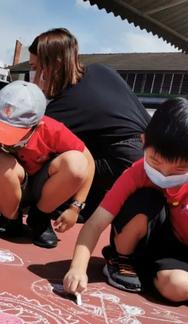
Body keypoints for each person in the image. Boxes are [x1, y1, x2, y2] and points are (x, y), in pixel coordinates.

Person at [64, 97, 188, 324]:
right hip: (140, 236)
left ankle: (147, 274)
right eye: (155, 160)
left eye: (179, 168)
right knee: (147, 199)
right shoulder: (137, 171)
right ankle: (121, 261)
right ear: (143, 141)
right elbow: (96, 223)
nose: (164, 173)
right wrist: (77, 268)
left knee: (181, 289)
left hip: (181, 252)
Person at [0, 81, 94, 249]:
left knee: (77, 162)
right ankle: (10, 220)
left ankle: (39, 218)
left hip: (44, 190)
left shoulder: (53, 130)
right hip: (12, 191)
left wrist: (76, 207)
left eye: (13, 133)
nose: (4, 138)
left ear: (37, 126)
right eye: (1, 129)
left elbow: (88, 163)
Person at [28, 28, 150, 217]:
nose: (33, 76)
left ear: (54, 65)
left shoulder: (64, 106)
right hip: (152, 152)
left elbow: (29, 153)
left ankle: (45, 210)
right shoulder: (102, 70)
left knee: (58, 162)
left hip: (126, 162)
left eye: (36, 68)